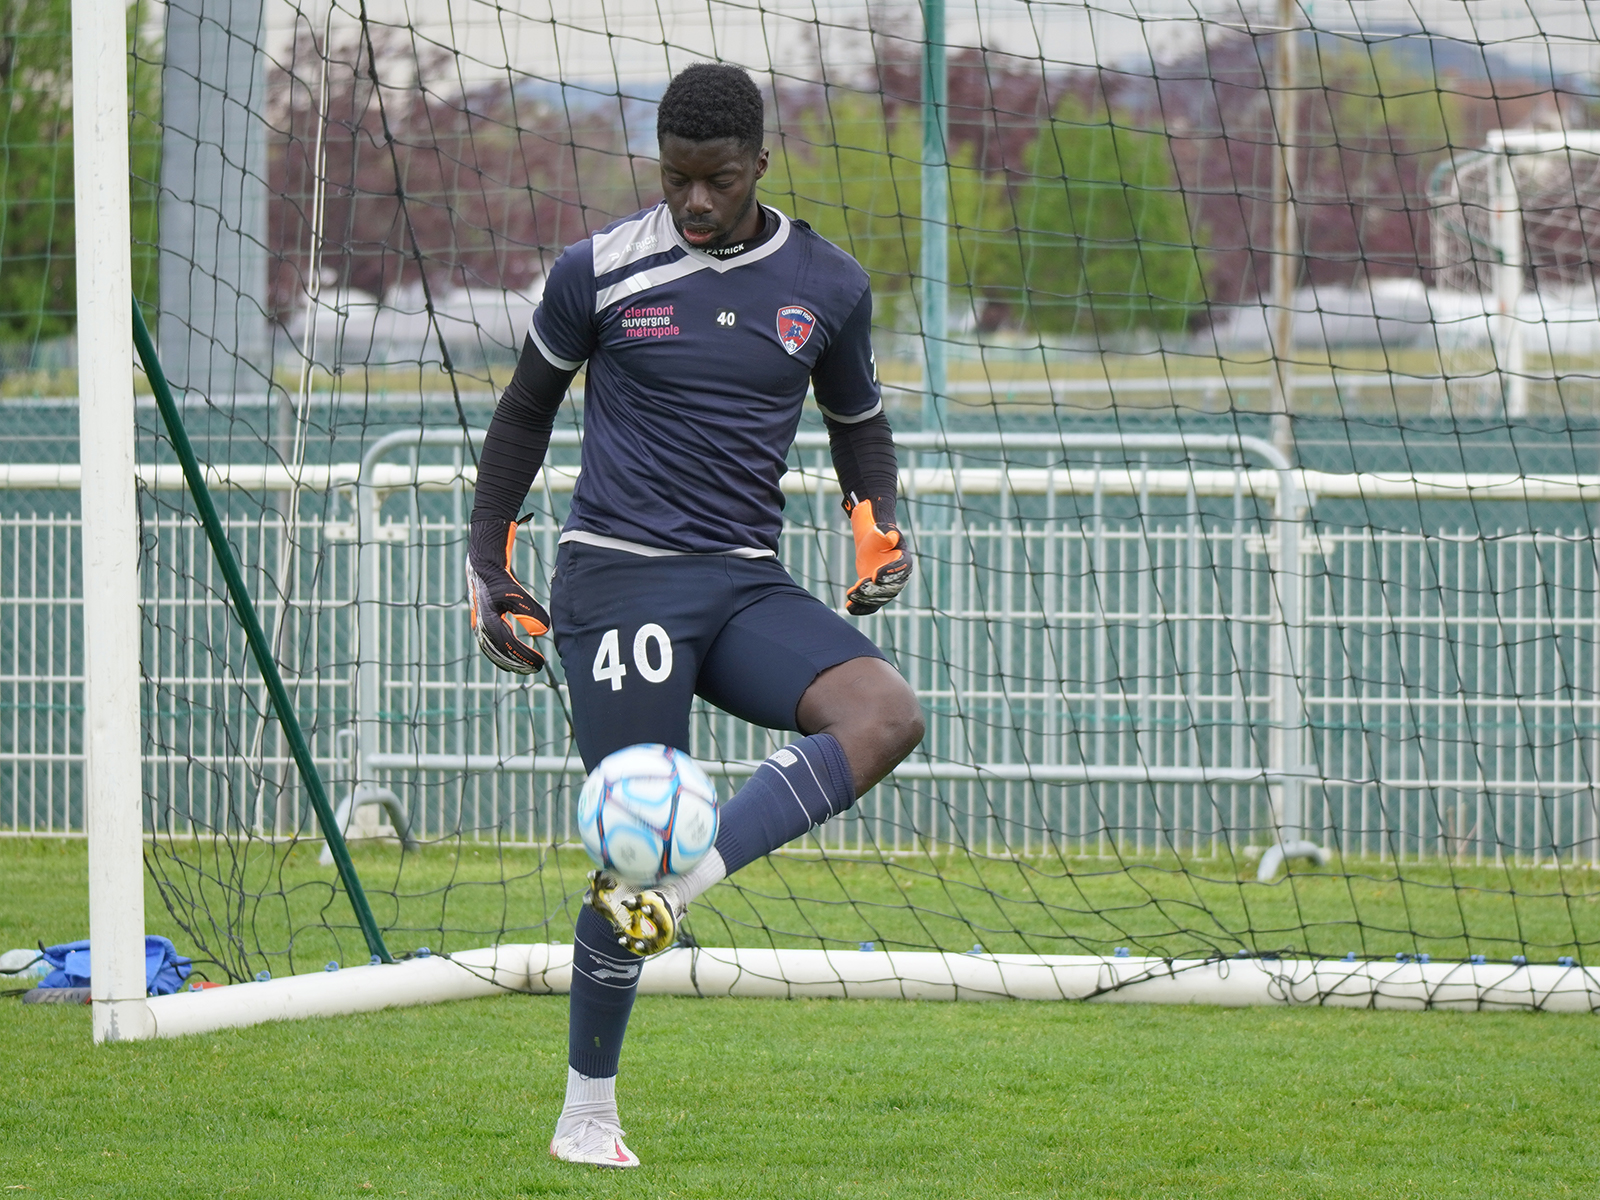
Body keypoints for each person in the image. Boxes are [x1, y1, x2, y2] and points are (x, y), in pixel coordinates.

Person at [465, 61, 924, 1169]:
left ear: (760, 163)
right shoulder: (599, 272)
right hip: (618, 580)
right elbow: (523, 418)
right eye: (676, 181)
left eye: (716, 180)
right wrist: (489, 564)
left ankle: (688, 882)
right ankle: (586, 1113)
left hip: (743, 581)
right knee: (631, 841)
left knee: (885, 715)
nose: (696, 202)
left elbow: (857, 423)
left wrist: (878, 524)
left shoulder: (828, 281)